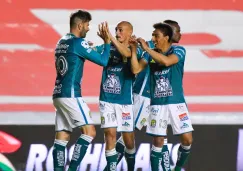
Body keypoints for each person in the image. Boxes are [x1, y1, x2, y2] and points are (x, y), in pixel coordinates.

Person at [113, 19, 182, 171]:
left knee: (161, 137)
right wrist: (133, 47)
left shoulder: (174, 52)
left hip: (158, 100)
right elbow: (133, 58)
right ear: (168, 33)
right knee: (128, 135)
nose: (179, 34)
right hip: (143, 97)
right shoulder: (149, 45)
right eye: (177, 30)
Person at [52, 10, 111, 171]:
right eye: (87, 25)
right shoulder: (78, 43)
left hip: (58, 93)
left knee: (62, 135)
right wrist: (106, 42)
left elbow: (75, 55)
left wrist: (88, 49)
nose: (88, 28)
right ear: (79, 25)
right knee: (89, 132)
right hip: (71, 94)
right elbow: (104, 61)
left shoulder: (62, 41)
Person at [129, 23, 193, 171]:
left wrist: (146, 48)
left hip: (176, 102)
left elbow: (166, 61)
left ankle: (177, 168)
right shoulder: (150, 53)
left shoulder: (178, 50)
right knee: (158, 141)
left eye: (156, 35)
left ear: (166, 37)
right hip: (157, 104)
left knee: (187, 140)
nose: (153, 38)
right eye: (153, 35)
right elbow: (136, 69)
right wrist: (133, 51)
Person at [95, 21, 143, 171]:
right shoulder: (107, 48)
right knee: (110, 135)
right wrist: (90, 46)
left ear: (130, 33)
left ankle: (131, 167)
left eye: (121, 30)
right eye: (116, 30)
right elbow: (92, 52)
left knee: (129, 142)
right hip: (106, 99)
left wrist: (110, 37)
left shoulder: (135, 49)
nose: (117, 33)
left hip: (124, 101)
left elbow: (126, 54)